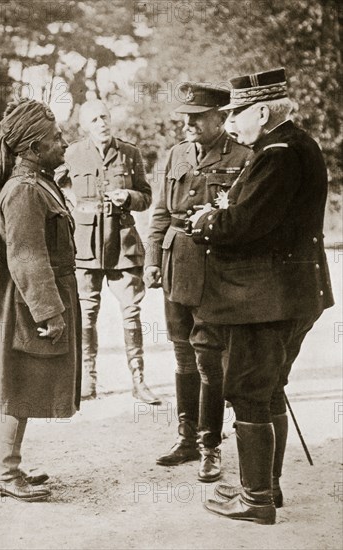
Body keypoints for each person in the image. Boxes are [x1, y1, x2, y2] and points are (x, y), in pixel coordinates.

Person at [188, 68, 334, 524]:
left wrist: (205, 222)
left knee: (248, 390)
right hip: (292, 293)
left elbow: (243, 225)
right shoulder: (295, 145)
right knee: (270, 389)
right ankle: (267, 487)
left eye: (237, 114)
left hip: (264, 299)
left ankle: (256, 502)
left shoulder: (276, 154)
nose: (229, 123)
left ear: (264, 112)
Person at [0, 99, 82, 502]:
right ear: (32, 148)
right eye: (56, 138)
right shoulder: (23, 190)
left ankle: (8, 464)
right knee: (16, 384)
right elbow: (27, 255)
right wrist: (49, 311)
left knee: (23, 382)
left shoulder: (40, 182)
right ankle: (3, 471)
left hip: (31, 298)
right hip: (27, 303)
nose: (64, 144)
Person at [144, 83, 251, 481]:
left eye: (197, 117)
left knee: (209, 359)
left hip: (215, 270)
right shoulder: (175, 154)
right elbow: (159, 213)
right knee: (182, 355)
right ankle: (186, 439)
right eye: (185, 118)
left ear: (221, 117)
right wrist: (152, 261)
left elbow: (244, 221)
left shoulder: (243, 156)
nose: (188, 124)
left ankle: (211, 446)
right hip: (175, 265)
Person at [62, 99, 160, 404]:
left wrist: (128, 196)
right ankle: (86, 380)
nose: (101, 123)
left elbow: (146, 196)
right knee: (86, 314)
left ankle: (139, 380)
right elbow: (51, 188)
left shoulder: (129, 153)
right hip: (85, 244)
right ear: (84, 126)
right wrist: (71, 210)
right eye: (94, 120)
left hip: (123, 242)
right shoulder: (72, 153)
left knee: (132, 311)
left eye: (104, 117)